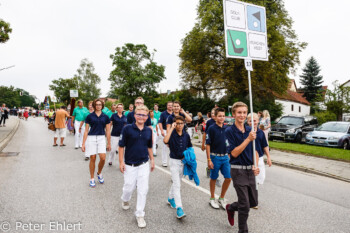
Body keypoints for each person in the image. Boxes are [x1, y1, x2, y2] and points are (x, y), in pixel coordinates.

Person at [225, 102, 260, 232]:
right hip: (237, 169)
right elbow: (233, 153)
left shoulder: (251, 130)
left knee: (253, 202)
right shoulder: (229, 131)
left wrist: (256, 166)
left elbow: (256, 151)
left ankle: (231, 207)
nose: (242, 115)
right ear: (233, 114)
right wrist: (248, 139)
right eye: (239, 112)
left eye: (244, 112)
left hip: (250, 170)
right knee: (245, 205)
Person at [119, 105, 155, 228]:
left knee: (143, 189)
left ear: (147, 117)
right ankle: (125, 198)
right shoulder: (127, 129)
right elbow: (121, 146)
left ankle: (140, 214)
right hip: (130, 164)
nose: (141, 117)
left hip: (144, 164)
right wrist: (121, 162)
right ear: (134, 115)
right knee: (129, 187)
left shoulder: (149, 131)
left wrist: (152, 160)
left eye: (144, 115)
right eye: (139, 114)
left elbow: (149, 146)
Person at [163, 116, 192, 219]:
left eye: (181, 123)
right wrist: (171, 128)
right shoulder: (172, 133)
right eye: (177, 123)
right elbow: (165, 141)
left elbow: (189, 147)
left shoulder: (186, 135)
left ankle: (170, 198)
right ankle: (179, 208)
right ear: (174, 124)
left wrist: (190, 160)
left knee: (177, 182)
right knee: (177, 185)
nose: (179, 125)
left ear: (184, 123)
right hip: (174, 162)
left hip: (183, 162)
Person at [82, 99, 111, 188]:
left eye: (100, 104)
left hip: (101, 138)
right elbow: (86, 130)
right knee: (93, 158)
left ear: (102, 106)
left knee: (102, 158)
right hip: (91, 138)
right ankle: (92, 178)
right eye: (97, 104)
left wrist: (108, 143)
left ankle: (99, 173)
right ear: (94, 106)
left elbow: (108, 130)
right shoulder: (89, 116)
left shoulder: (105, 117)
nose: (98, 106)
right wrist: (83, 143)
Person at [206, 108, 231, 209]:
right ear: (215, 117)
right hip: (215, 156)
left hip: (225, 157)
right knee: (213, 178)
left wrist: (229, 155)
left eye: (223, 116)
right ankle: (212, 198)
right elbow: (208, 144)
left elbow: (228, 143)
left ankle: (221, 198)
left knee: (228, 178)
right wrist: (209, 159)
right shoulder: (211, 128)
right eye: (219, 116)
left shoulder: (227, 129)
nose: (222, 118)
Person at [247, 113, 272, 196]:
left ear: (258, 121)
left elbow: (265, 145)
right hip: (249, 158)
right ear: (247, 122)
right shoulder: (246, 131)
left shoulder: (261, 132)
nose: (253, 123)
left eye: (254, 120)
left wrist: (268, 157)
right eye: (251, 121)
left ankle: (252, 193)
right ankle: (252, 197)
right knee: (252, 179)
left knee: (260, 178)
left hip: (260, 157)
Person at [158, 101, 173, 167]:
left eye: (171, 105)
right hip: (165, 130)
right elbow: (160, 122)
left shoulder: (174, 113)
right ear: (167, 106)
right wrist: (161, 131)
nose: (170, 106)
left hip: (173, 131)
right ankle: (164, 162)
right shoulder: (163, 114)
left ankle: (172, 161)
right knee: (165, 147)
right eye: (169, 105)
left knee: (172, 147)